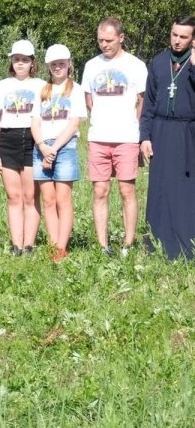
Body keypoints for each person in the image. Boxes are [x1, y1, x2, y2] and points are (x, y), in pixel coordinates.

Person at [80, 17, 148, 256]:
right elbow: (89, 100)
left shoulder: (136, 65)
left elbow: (142, 101)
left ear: (121, 38)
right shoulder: (91, 66)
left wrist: (139, 135)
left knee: (127, 190)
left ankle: (128, 244)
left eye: (109, 40)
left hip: (127, 137)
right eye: (100, 40)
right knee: (100, 191)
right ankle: (102, 244)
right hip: (98, 136)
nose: (104, 45)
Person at [140, 15, 195, 259]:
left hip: (187, 133)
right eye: (174, 35)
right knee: (160, 188)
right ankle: (157, 243)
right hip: (161, 131)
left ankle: (185, 246)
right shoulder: (159, 62)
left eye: (183, 37)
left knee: (185, 189)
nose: (177, 41)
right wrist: (145, 137)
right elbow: (149, 103)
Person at [32, 44, 86, 262]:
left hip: (64, 147)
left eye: (61, 64)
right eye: (53, 64)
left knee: (63, 199)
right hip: (41, 147)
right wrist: (42, 146)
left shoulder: (76, 90)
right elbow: (34, 121)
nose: (57, 68)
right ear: (48, 66)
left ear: (69, 64)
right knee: (48, 199)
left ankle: (62, 246)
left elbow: (74, 124)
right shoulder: (42, 90)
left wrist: (53, 149)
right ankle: (53, 244)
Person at [0, 39, 46, 255]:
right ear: (11, 62)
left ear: (33, 62)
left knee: (30, 196)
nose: (20, 64)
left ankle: (29, 244)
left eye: (25, 60)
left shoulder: (41, 85)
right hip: (7, 138)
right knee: (13, 196)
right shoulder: (2, 86)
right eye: (16, 60)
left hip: (32, 139)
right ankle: (16, 244)